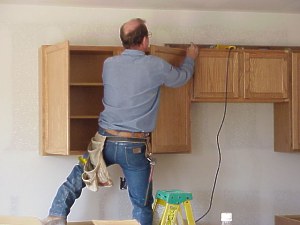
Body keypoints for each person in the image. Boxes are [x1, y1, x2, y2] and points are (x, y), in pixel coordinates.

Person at [41, 18, 199, 225]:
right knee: (141, 204)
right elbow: (181, 77)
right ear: (144, 40)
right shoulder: (155, 65)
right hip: (134, 147)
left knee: (78, 176)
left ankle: (56, 215)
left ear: (124, 41)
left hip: (103, 141)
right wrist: (190, 58)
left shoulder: (109, 64)